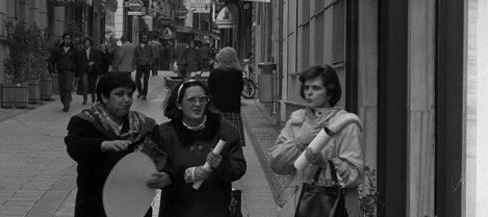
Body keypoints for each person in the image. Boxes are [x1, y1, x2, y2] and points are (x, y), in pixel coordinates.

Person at [269, 64, 364, 217]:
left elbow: (355, 174)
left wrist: (325, 164)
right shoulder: (297, 120)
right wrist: (298, 142)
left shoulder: (346, 124)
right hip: (297, 206)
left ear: (330, 93)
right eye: (306, 88)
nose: (309, 93)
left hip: (335, 206)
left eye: (316, 88)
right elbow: (276, 164)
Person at [65, 71, 158, 217]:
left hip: (134, 203)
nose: (126, 100)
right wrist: (102, 145)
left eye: (129, 94)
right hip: (96, 203)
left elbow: (161, 154)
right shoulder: (85, 121)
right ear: (104, 96)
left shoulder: (143, 125)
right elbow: (74, 147)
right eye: (119, 94)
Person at [149, 79, 246, 217]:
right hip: (176, 209)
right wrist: (182, 175)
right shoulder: (164, 134)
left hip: (215, 208)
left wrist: (221, 165)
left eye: (202, 99)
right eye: (191, 99)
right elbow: (156, 168)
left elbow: (239, 168)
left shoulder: (226, 131)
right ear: (178, 104)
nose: (197, 104)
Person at [208, 47, 245, 146]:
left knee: (216, 141)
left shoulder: (214, 73)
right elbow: (240, 89)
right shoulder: (238, 73)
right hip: (233, 110)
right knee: (233, 142)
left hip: (217, 109)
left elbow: (210, 90)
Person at [49, 32, 81, 112]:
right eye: (66, 38)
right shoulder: (58, 50)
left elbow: (78, 62)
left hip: (70, 72)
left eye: (69, 39)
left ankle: (67, 104)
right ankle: (65, 101)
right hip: (61, 71)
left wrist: (77, 74)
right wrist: (52, 70)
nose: (67, 40)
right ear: (63, 39)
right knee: (62, 89)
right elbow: (52, 61)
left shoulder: (74, 50)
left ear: (70, 40)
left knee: (68, 88)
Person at [78, 37, 101, 105]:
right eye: (85, 42)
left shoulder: (95, 51)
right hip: (85, 70)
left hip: (93, 70)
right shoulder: (81, 51)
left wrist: (93, 63)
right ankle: (85, 99)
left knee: (92, 85)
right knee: (85, 85)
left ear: (90, 43)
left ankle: (93, 95)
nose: (86, 43)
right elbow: (79, 61)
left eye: (88, 42)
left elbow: (99, 61)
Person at [134, 35, 153, 100]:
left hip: (147, 65)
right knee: (137, 79)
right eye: (143, 38)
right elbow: (135, 55)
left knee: (145, 80)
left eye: (145, 38)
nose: (144, 39)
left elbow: (152, 55)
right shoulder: (137, 47)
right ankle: (140, 91)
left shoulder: (149, 46)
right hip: (139, 64)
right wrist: (135, 62)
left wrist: (150, 62)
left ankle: (145, 94)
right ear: (141, 39)